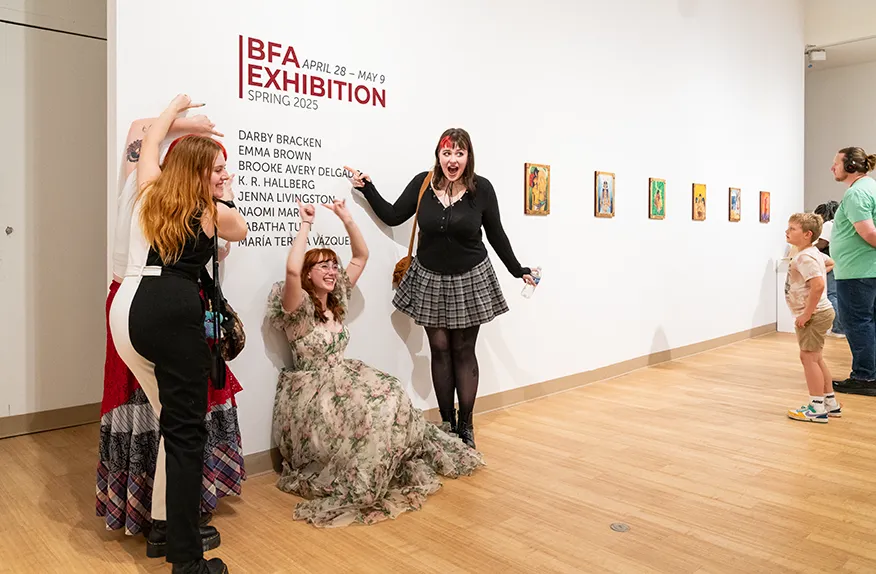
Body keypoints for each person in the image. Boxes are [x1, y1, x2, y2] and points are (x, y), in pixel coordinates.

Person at [266, 198, 484, 528]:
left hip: (342, 376)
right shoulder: (297, 307)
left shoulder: (335, 300)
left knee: (392, 394)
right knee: (370, 410)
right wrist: (306, 224)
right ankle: (363, 476)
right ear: (309, 274)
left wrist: (347, 218)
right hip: (312, 390)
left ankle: (390, 461)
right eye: (322, 266)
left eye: (333, 265)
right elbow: (292, 270)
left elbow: (360, 256)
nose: (331, 271)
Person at [109, 94, 247, 574]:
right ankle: (188, 563)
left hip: (127, 309)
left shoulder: (150, 190)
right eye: (217, 170)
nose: (223, 175)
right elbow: (240, 228)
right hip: (172, 311)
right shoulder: (210, 211)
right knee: (187, 435)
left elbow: (150, 143)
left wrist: (176, 109)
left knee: (173, 424)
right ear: (200, 174)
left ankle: (167, 524)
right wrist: (222, 192)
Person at [346, 128, 535, 448]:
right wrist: (368, 188)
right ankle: (447, 424)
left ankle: (466, 425)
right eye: (447, 153)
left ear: (468, 157)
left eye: (459, 153)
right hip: (429, 277)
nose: (453, 160)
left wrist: (518, 270)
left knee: (464, 351)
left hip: (471, 278)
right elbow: (393, 215)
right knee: (439, 349)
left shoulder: (481, 189)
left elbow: (496, 234)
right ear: (438, 155)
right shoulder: (423, 184)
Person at [784, 213, 841, 423]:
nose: (787, 232)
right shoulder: (813, 253)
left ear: (807, 234)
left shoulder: (805, 257)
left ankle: (816, 407)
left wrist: (807, 313)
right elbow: (831, 262)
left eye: (792, 229)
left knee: (808, 358)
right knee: (815, 358)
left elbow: (817, 285)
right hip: (820, 312)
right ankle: (830, 403)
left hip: (814, 315)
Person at [828, 147, 876, 396]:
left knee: (858, 323)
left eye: (836, 163)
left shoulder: (857, 193)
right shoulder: (870, 187)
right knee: (868, 322)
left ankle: (865, 377)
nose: (832, 168)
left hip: (858, 272)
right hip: (865, 270)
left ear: (850, 167)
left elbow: (868, 233)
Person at [813, 200, 844, 337]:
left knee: (832, 295)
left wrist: (806, 247)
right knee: (839, 295)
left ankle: (838, 328)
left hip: (831, 262)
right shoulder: (841, 224)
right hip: (842, 263)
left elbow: (822, 244)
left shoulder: (828, 225)